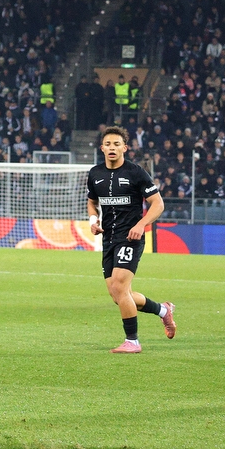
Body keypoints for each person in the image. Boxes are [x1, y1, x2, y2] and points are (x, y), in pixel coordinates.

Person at [86, 126, 175, 354]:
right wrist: (93, 220)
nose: (112, 148)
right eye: (108, 144)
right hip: (108, 239)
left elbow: (158, 204)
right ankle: (163, 311)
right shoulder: (95, 174)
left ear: (125, 148)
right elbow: (92, 201)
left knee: (120, 286)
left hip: (130, 237)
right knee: (118, 295)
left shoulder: (136, 173)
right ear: (102, 148)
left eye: (117, 144)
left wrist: (141, 224)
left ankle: (132, 341)